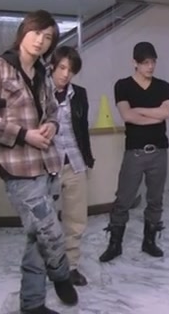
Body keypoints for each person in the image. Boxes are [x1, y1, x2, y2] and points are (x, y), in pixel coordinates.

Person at [0, 10, 78, 314]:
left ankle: (32, 304)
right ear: (23, 32)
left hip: (48, 164)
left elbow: (53, 111)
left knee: (36, 236)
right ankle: (61, 274)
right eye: (36, 33)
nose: (40, 41)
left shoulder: (44, 73)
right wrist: (23, 135)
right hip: (19, 168)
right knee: (50, 231)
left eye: (48, 37)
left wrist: (52, 126)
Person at [99, 41, 169, 262]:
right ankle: (115, 244)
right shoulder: (123, 85)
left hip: (159, 151)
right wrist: (152, 114)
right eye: (145, 62)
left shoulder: (163, 86)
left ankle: (149, 241)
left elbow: (166, 113)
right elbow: (127, 116)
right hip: (135, 152)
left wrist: (139, 110)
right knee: (124, 198)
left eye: (153, 62)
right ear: (135, 62)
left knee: (156, 199)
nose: (150, 66)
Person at [48, 45, 94, 286]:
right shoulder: (39, 92)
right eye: (62, 68)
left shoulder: (80, 94)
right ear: (52, 67)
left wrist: (88, 159)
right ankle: (48, 266)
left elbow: (82, 130)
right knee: (45, 222)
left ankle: (72, 266)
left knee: (76, 220)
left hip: (75, 162)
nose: (66, 74)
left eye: (71, 70)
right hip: (47, 165)